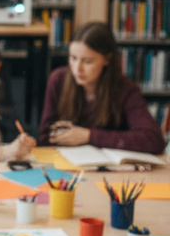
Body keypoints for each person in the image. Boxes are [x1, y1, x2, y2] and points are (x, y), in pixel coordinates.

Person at [38, 21, 166, 155]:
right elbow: (45, 139)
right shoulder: (58, 79)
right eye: (73, 58)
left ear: (107, 59)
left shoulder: (125, 89)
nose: (77, 68)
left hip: (110, 170)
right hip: (65, 165)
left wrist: (88, 136)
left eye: (87, 61)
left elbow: (153, 140)